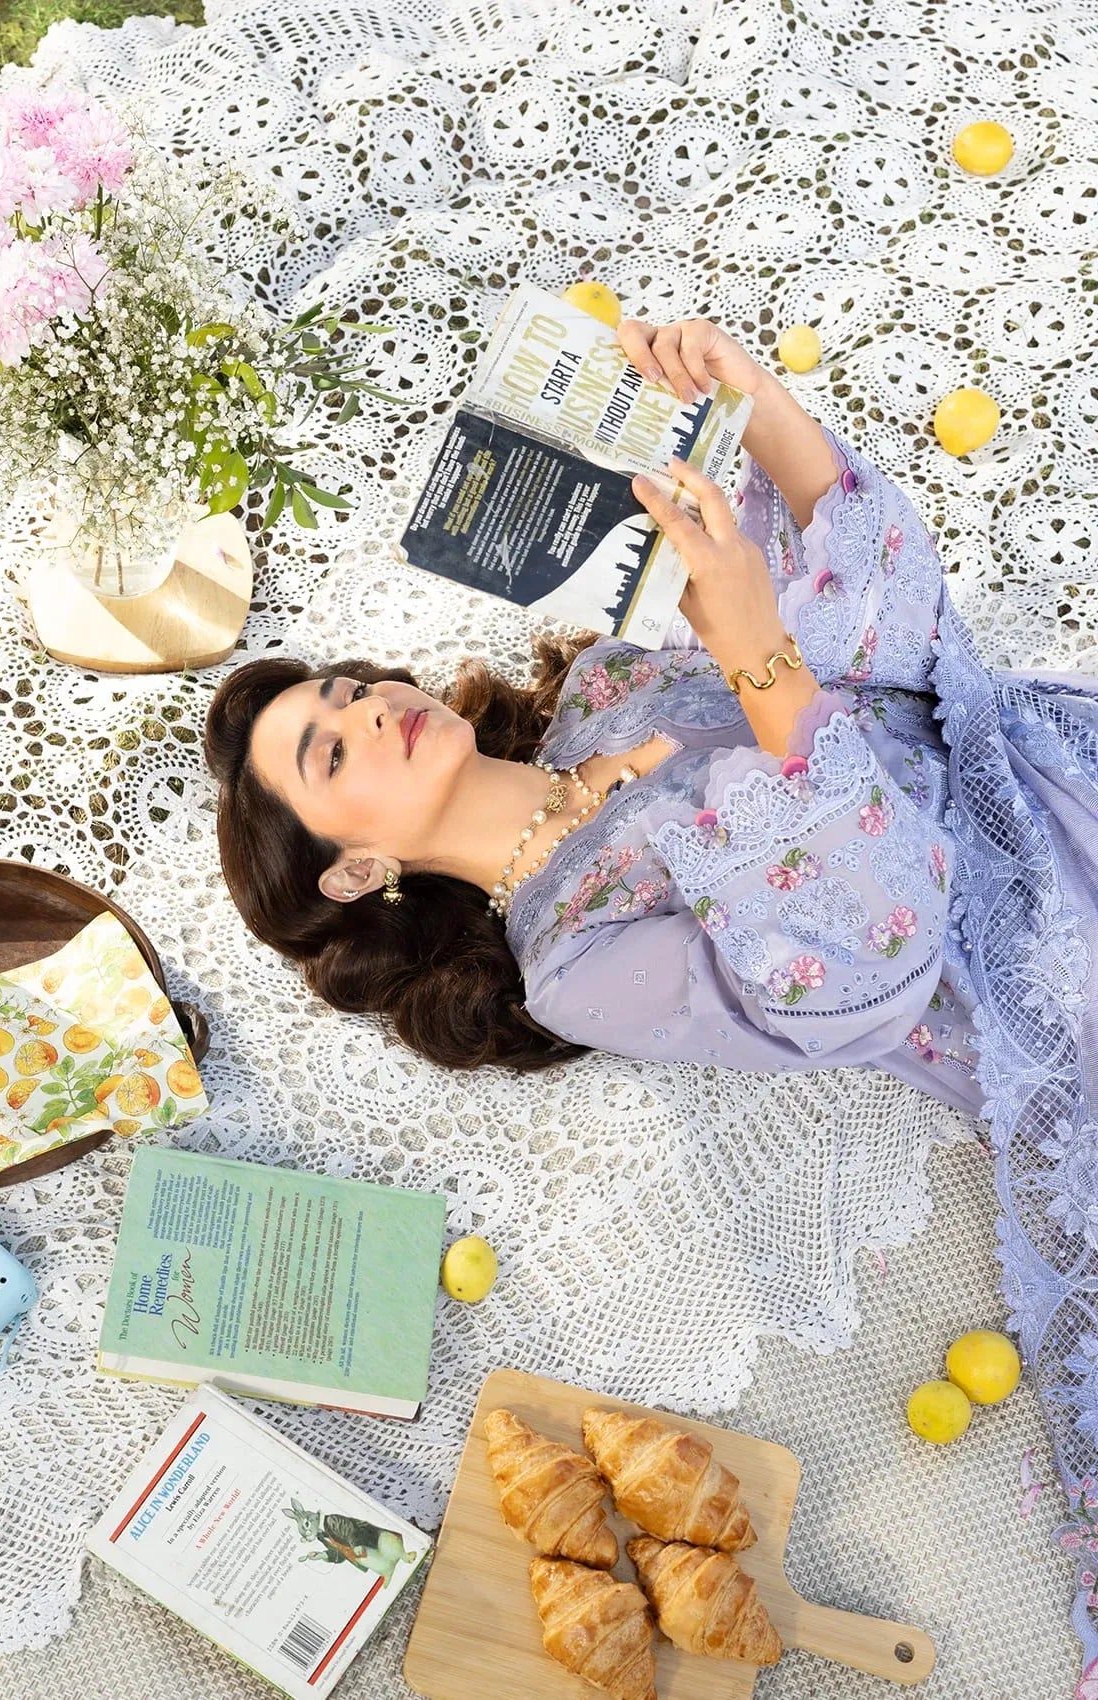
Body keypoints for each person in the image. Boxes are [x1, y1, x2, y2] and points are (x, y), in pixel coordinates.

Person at [205, 313, 1098, 1663]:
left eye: (345, 686)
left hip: (1045, 762)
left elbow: (891, 643)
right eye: (331, 753)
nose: (370, 704)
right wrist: (757, 658)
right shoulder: (577, 961)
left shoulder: (608, 684)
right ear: (358, 871)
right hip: (1039, 977)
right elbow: (872, 952)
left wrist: (755, 398)